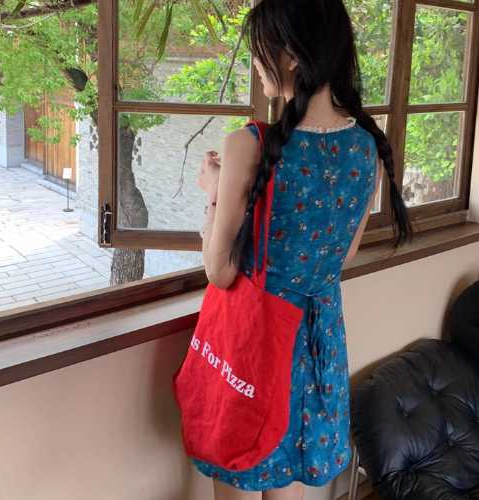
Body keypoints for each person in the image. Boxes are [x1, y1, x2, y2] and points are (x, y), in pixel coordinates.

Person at [195, 0, 414, 498]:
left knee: (238, 467)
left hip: (256, 343)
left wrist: (214, 191)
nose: (255, 61)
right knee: (290, 475)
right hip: (318, 343)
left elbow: (220, 271)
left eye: (260, 49)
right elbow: (344, 255)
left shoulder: (248, 145)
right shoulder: (366, 144)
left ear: (292, 55)